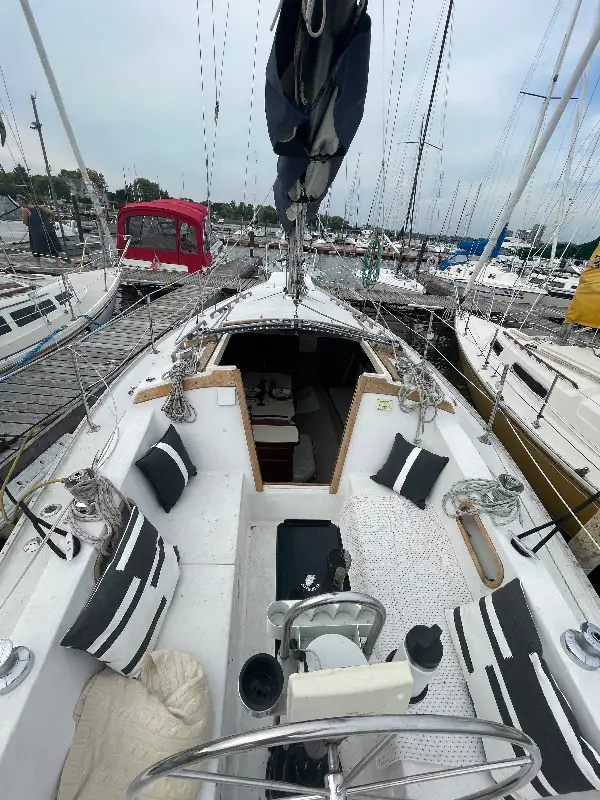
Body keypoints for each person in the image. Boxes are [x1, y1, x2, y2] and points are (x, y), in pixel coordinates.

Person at [22, 202, 62, 267]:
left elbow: (25, 222)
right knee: (53, 245)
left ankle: (38, 264)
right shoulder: (41, 207)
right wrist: (52, 221)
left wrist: (29, 224)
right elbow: (52, 213)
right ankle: (58, 263)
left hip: (36, 230)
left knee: (36, 246)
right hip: (48, 228)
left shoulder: (26, 210)